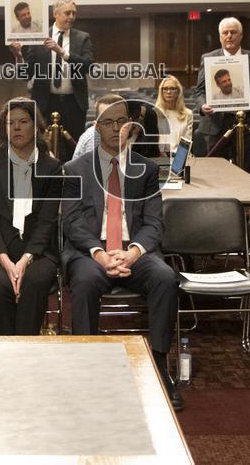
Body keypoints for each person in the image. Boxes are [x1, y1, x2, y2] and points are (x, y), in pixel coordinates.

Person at [61, 98, 181, 410]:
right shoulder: (75, 169)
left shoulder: (148, 168)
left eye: (122, 122)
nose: (117, 129)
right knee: (84, 282)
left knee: (166, 278)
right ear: (97, 127)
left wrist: (133, 253)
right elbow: (71, 222)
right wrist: (100, 254)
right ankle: (88, 367)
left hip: (135, 251)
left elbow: (154, 222)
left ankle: (157, 366)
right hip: (92, 252)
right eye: (109, 123)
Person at [0, 99, 61, 335]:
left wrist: (24, 261)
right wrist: (6, 261)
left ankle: (25, 346)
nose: (16, 128)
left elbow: (47, 221)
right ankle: (8, 344)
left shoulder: (52, 168)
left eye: (23, 122)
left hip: (38, 250)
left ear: (36, 127)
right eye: (10, 123)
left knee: (34, 282)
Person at [9, 0, 93, 159]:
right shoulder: (39, 37)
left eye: (74, 13)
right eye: (67, 12)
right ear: (55, 14)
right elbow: (25, 74)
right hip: (45, 103)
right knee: (42, 147)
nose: (71, 16)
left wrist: (62, 52)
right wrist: (18, 57)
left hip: (74, 103)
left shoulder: (82, 38)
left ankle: (71, 182)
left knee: (73, 149)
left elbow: (88, 65)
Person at [192, 17, 250, 163]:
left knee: (246, 169)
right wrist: (202, 105)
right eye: (225, 33)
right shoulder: (208, 58)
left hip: (246, 122)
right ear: (220, 37)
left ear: (241, 36)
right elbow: (199, 91)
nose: (229, 36)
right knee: (217, 170)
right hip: (217, 123)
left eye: (233, 32)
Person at [154, 76, 194, 153]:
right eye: (165, 89)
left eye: (172, 88)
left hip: (179, 156)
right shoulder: (154, 113)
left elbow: (186, 142)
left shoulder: (187, 114)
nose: (168, 92)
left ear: (178, 91)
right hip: (158, 156)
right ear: (161, 91)